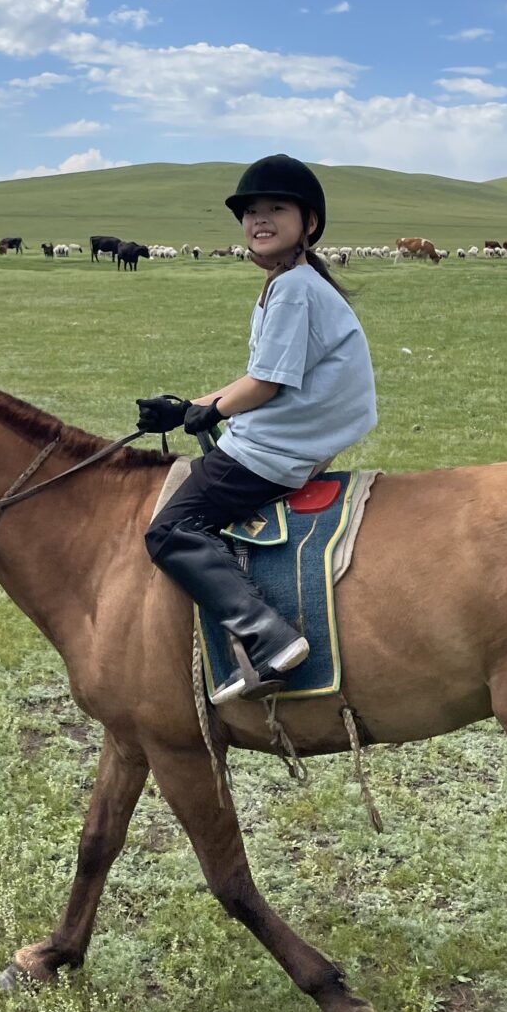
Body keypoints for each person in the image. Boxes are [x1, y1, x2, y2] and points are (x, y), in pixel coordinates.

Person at [137, 154, 378, 703]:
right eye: (250, 212)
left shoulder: (294, 288)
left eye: (275, 209)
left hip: (278, 447)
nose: (259, 220)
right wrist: (187, 407)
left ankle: (269, 637)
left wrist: (217, 411)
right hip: (293, 435)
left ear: (308, 222)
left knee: (170, 529)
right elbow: (258, 377)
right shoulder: (291, 283)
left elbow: (265, 386)